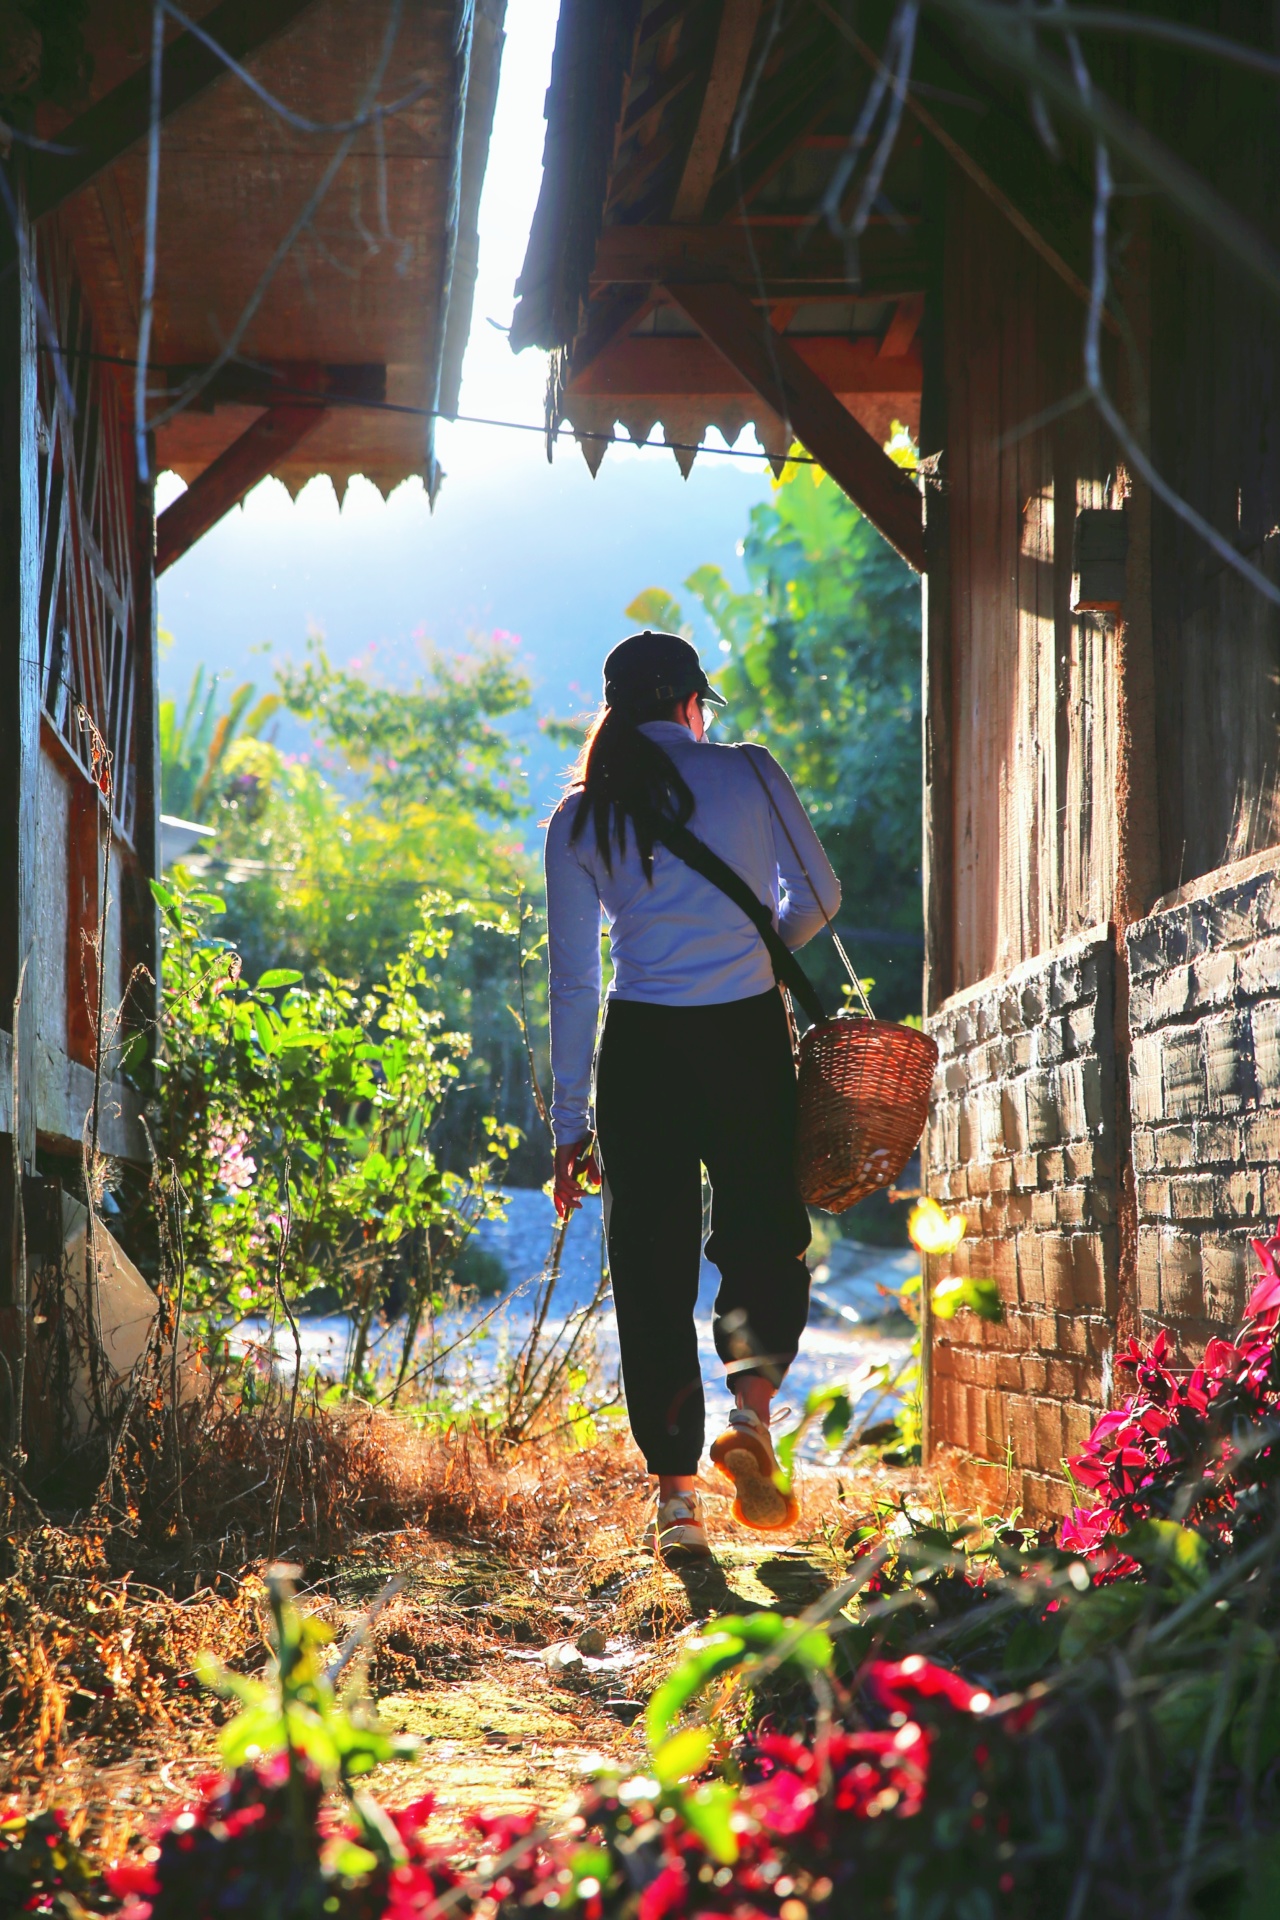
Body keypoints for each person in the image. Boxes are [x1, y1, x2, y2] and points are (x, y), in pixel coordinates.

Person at [543, 629, 840, 1561]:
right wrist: (755, 951)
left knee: (650, 1268)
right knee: (764, 1231)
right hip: (744, 1036)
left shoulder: (581, 814)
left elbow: (572, 981)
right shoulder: (748, 771)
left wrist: (568, 1120)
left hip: (641, 1050)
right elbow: (819, 895)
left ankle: (677, 1501)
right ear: (690, 703)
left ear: (616, 710)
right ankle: (750, 1415)